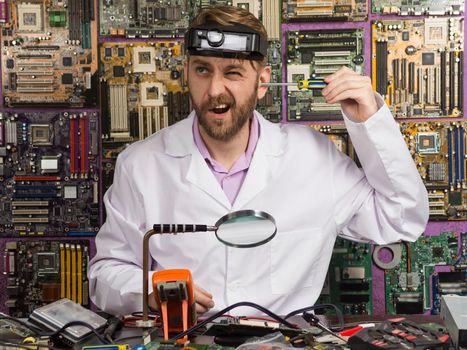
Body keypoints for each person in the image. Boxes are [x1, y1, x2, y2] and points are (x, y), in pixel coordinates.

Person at [88, 5, 429, 316]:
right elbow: (105, 274)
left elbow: (401, 218)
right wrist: (151, 289)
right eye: (203, 70)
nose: (214, 90)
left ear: (262, 81)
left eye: (233, 73)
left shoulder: (313, 158)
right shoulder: (141, 165)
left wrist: (370, 122)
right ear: (187, 73)